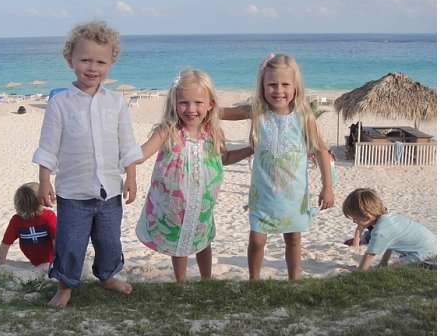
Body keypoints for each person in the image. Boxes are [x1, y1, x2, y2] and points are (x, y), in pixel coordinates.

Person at [33, 20, 143, 306]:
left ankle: (107, 275)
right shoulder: (60, 103)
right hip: (72, 192)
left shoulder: (117, 102)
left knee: (109, 242)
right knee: (71, 245)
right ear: (70, 60)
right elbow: (48, 147)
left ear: (111, 63)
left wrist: (130, 177)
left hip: (110, 192)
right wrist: (44, 180)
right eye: (85, 60)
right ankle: (65, 286)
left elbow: (127, 144)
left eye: (100, 61)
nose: (92, 68)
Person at [221, 53, 334, 280]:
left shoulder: (304, 116)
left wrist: (327, 187)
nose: (278, 90)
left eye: (285, 84)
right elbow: (220, 112)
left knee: (293, 239)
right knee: (257, 239)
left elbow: (321, 151)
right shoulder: (257, 111)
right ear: (262, 86)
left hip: (294, 195)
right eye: (272, 84)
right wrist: (195, 106)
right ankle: (254, 279)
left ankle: (295, 279)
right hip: (263, 194)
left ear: (295, 87)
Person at [135, 69, 253, 282]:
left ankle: (206, 280)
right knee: (179, 245)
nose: (191, 109)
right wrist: (122, 158)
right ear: (174, 103)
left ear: (210, 105)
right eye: (184, 103)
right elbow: (141, 154)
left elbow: (224, 159)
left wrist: (250, 149)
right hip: (174, 205)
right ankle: (181, 281)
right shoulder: (168, 131)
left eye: (198, 103)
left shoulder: (212, 132)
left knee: (203, 239)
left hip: (202, 203)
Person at [342, 188, 436, 270]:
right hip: (432, 244)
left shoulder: (380, 231)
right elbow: (389, 244)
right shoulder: (389, 218)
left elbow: (370, 255)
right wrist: (383, 262)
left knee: (395, 267)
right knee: (395, 262)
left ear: (366, 216)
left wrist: (360, 271)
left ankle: (428, 265)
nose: (354, 221)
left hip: (426, 252)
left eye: (355, 218)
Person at [0, 182, 56, 266]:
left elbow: (5, 244)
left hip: (33, 257)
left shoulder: (16, 220)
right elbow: (56, 241)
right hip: (49, 259)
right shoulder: (49, 216)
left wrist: (0, 263)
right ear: (40, 200)